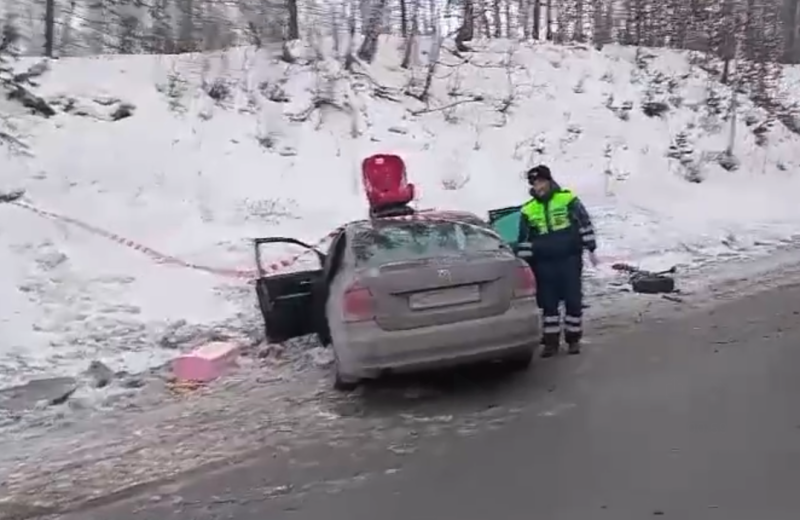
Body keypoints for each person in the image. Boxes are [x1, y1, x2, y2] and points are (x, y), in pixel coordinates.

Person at [516, 165, 598, 357]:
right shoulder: (528, 210)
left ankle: (573, 339)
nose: (539, 186)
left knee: (572, 299)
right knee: (548, 303)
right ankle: (551, 343)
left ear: (549, 181)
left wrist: (590, 247)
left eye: (542, 182)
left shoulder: (567, 199)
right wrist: (527, 264)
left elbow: (584, 223)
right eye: (535, 183)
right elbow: (524, 239)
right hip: (544, 263)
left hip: (569, 258)